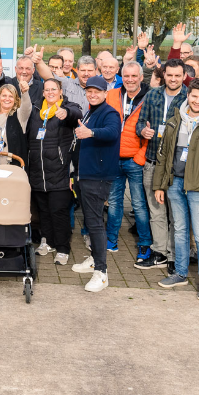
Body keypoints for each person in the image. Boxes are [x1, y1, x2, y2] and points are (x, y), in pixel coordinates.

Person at [151, 80, 199, 300]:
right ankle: (180, 273)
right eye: (194, 96)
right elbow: (163, 154)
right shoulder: (175, 119)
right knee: (179, 230)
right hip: (176, 183)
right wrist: (159, 185)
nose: (197, 101)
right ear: (189, 95)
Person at [23, 74, 82, 266]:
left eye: (53, 90)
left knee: (59, 211)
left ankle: (63, 248)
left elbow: (77, 113)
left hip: (59, 170)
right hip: (37, 171)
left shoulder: (67, 108)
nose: (50, 92)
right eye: (47, 90)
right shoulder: (36, 110)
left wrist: (66, 113)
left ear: (60, 92)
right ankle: (46, 241)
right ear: (43, 92)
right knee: (43, 211)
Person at [70, 76, 121, 292]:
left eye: (97, 91)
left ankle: (101, 272)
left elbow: (111, 132)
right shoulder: (90, 111)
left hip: (98, 176)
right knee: (92, 221)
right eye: (89, 91)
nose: (92, 94)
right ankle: (93, 259)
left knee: (96, 223)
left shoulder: (109, 113)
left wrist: (90, 132)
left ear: (105, 92)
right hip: (85, 174)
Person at [136, 58, 187, 271]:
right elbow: (140, 121)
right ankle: (160, 253)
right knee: (156, 211)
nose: (173, 79)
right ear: (163, 75)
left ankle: (175, 257)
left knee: (176, 214)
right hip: (152, 161)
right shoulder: (152, 94)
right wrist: (142, 131)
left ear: (184, 76)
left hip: (176, 166)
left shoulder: (189, 98)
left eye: (178, 75)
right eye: (170, 75)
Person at [104, 60, 154, 267]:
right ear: (121, 77)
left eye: (134, 76)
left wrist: (140, 156)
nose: (130, 80)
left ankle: (145, 244)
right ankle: (110, 240)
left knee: (139, 205)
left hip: (135, 159)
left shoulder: (150, 97)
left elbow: (152, 130)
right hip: (114, 158)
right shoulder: (112, 95)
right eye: (126, 76)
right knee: (114, 203)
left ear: (141, 77)